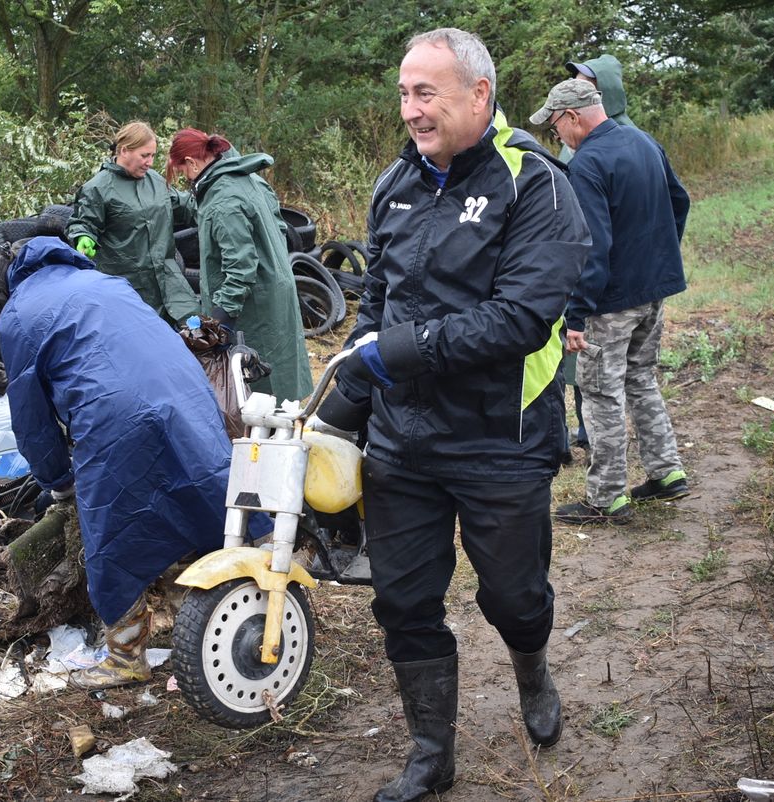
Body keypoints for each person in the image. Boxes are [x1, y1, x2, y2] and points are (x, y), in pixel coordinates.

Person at [312, 28, 591, 802]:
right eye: (404, 92)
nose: (410, 109)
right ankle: (431, 752)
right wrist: (347, 397)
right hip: (403, 441)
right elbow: (377, 299)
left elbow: (520, 319)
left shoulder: (535, 183)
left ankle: (533, 673)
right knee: (402, 599)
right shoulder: (393, 182)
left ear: (479, 94)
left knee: (512, 595)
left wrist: (396, 352)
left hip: (500, 435)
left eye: (426, 92)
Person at [0, 236, 245, 690]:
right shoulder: (105, 281)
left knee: (110, 536)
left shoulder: (18, 315)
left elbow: (30, 417)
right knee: (203, 500)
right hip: (187, 395)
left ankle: (127, 657)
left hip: (114, 414)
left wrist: (58, 481)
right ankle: (238, 612)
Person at [529, 79, 691, 525]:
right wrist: (660, 258)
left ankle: (605, 497)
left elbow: (592, 247)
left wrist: (576, 314)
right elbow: (681, 200)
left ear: (573, 117)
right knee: (641, 379)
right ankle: (667, 471)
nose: (556, 136)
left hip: (611, 302)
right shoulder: (643, 141)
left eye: (555, 126)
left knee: (600, 392)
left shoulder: (588, 164)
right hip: (654, 292)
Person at [165, 129, 314, 402]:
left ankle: (264, 438)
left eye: (182, 171)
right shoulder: (248, 179)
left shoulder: (223, 201)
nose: (185, 179)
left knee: (257, 386)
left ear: (193, 162)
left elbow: (240, 269)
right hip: (274, 289)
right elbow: (280, 228)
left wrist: (219, 323)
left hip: (254, 306)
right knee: (281, 375)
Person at [558, 55, 638, 453]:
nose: (576, 82)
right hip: (588, 269)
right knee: (580, 365)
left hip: (601, 276)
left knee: (594, 365)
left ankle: (597, 445)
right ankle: (584, 431)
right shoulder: (576, 138)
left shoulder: (620, 140)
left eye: (584, 79)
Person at [66, 121, 200, 325]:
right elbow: (82, 223)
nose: (150, 162)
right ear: (124, 151)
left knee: (198, 333)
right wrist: (83, 236)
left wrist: (216, 203)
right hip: (126, 287)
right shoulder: (98, 188)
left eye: (153, 155)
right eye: (144, 155)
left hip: (169, 282)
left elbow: (184, 205)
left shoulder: (155, 180)